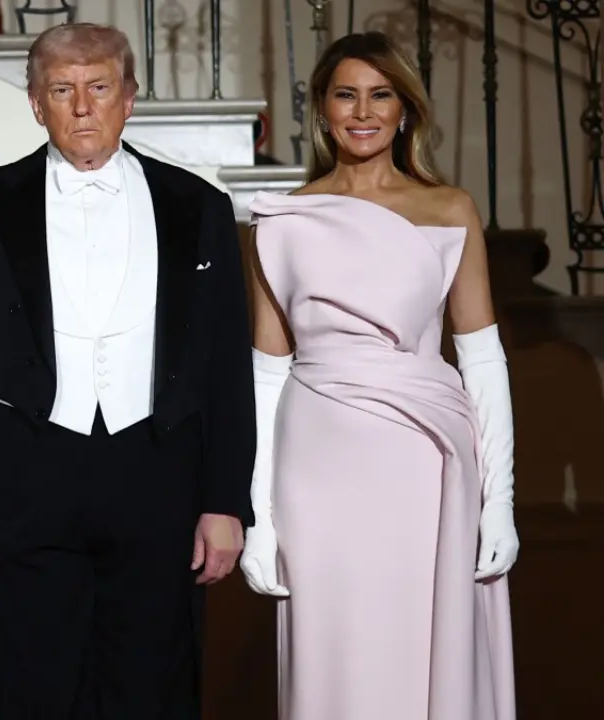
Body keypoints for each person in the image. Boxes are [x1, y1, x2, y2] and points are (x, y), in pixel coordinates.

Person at [0, 22, 255, 718]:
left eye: (99, 88)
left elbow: (226, 365)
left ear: (128, 98)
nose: (82, 107)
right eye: (62, 90)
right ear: (36, 104)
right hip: (24, 479)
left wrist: (225, 500)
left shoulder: (200, 208)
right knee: (29, 684)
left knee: (155, 685)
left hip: (158, 477)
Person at [240, 32, 518, 720]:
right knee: (336, 658)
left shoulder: (449, 209)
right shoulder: (280, 219)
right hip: (318, 463)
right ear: (323, 109)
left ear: (405, 110)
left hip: (427, 461)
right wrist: (258, 519)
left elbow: (481, 358)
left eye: (381, 94)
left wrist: (500, 500)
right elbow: (266, 372)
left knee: (426, 649)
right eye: (346, 94)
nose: (363, 111)